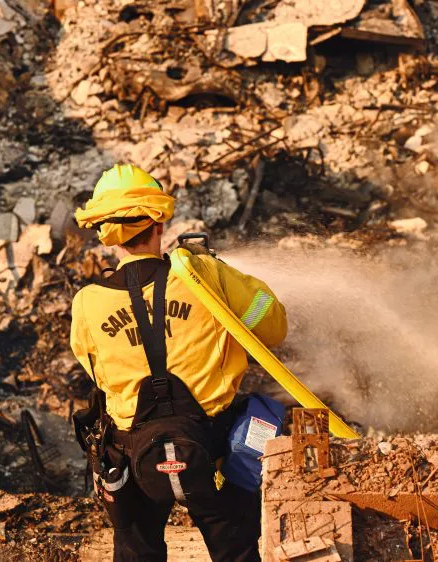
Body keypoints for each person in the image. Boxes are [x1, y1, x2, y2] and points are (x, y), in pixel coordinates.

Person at [70, 164, 287, 562]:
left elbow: (94, 369)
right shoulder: (205, 275)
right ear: (159, 219)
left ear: (106, 232)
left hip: (133, 457)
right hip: (215, 451)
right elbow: (272, 326)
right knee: (237, 550)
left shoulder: (87, 302)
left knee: (136, 550)